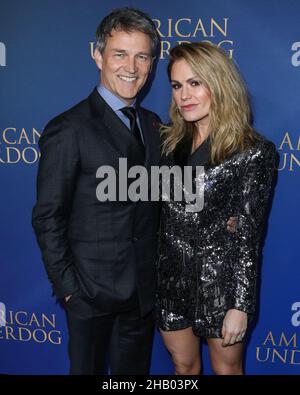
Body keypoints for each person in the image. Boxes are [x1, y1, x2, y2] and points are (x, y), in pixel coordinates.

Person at [32, 7, 162, 375]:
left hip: (141, 295)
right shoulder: (68, 129)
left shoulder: (153, 126)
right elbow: (47, 217)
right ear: (97, 55)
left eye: (142, 56)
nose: (131, 67)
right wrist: (71, 290)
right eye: (120, 54)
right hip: (89, 295)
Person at [155, 42, 276, 375]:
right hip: (169, 284)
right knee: (183, 368)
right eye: (177, 86)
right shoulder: (167, 143)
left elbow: (249, 238)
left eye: (195, 83)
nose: (184, 95)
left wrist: (240, 305)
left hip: (219, 287)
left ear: (219, 84)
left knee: (227, 371)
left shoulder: (252, 151)